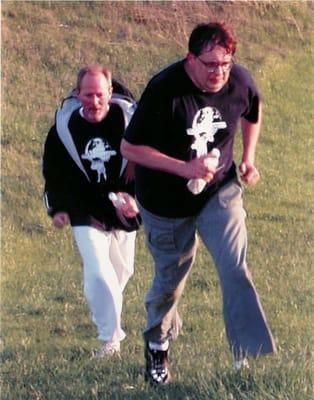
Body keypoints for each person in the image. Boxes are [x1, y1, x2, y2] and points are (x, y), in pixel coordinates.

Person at [121, 22, 276, 385]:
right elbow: (130, 148)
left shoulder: (239, 80)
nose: (219, 72)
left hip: (218, 191)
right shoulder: (165, 90)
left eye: (225, 63)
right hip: (164, 202)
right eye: (209, 64)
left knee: (233, 264)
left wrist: (249, 157)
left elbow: (253, 109)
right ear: (190, 59)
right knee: (169, 282)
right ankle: (158, 347)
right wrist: (183, 167)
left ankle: (245, 358)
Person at [43, 65, 140, 357]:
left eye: (100, 95)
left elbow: (148, 166)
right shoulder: (64, 127)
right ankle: (110, 340)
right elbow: (53, 171)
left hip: (122, 207)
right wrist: (58, 208)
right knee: (98, 269)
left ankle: (107, 312)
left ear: (110, 93)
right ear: (77, 94)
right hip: (83, 206)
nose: (94, 101)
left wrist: (135, 199)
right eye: (88, 95)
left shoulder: (130, 123)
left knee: (121, 271)